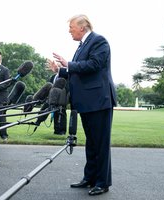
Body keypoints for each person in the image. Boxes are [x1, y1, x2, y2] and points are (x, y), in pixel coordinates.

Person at [47, 14, 117, 196]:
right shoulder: (82, 45)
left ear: (82, 27)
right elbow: (78, 70)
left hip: (99, 101)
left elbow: (94, 65)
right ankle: (90, 178)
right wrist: (60, 70)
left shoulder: (99, 41)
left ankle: (102, 182)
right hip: (87, 102)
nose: (69, 31)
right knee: (91, 143)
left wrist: (68, 64)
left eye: (71, 27)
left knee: (100, 143)